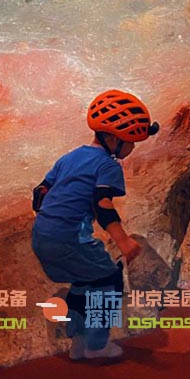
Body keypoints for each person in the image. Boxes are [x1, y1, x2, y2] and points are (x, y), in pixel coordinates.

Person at [31, 89, 159, 360]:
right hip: (69, 238)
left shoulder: (70, 157)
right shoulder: (107, 165)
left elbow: (40, 192)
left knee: (85, 280)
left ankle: (77, 342)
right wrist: (124, 242)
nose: (132, 148)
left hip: (42, 235)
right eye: (130, 142)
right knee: (108, 280)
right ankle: (96, 345)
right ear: (112, 138)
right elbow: (103, 206)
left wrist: (52, 220)